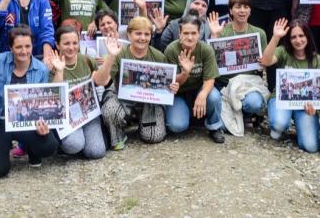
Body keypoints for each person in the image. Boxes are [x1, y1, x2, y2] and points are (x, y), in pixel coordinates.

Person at [0, 27, 59, 179]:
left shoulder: (41, 70)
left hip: (25, 121)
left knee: (49, 146)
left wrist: (43, 127)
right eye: (18, 47)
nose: (23, 51)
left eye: (27, 46)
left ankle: (32, 150)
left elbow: (41, 105)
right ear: (11, 47)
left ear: (32, 46)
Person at [94, 17, 178, 150]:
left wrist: (172, 86)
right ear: (129, 34)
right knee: (110, 110)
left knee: (153, 137)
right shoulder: (119, 53)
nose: (142, 38)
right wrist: (110, 56)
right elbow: (100, 81)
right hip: (122, 98)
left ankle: (142, 124)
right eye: (138, 33)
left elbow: (166, 86)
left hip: (149, 101)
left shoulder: (158, 56)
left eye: (146, 34)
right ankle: (118, 132)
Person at [259, 19, 320, 151]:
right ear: (289, 39)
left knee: (311, 147)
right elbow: (265, 61)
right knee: (279, 123)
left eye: (301, 36)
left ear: (307, 37)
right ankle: (280, 127)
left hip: (305, 104)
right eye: (293, 37)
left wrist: (316, 109)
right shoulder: (283, 52)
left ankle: (300, 127)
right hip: (281, 99)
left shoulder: (318, 60)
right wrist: (276, 37)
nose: (298, 40)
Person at [207, 0, 269, 127]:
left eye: (246, 7)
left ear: (250, 10)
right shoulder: (222, 31)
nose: (242, 10)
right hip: (224, 84)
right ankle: (234, 112)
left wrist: (261, 63)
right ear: (230, 10)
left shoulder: (259, 33)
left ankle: (247, 113)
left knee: (255, 104)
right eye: (238, 7)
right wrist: (214, 35)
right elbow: (210, 61)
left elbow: (264, 63)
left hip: (248, 84)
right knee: (223, 127)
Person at [164, 14, 224, 143]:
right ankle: (190, 116)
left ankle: (215, 127)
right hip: (179, 93)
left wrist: (202, 94)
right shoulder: (171, 50)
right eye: (185, 33)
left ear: (199, 33)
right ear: (179, 33)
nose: (190, 37)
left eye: (193, 33)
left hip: (198, 89)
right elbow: (172, 82)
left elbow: (210, 78)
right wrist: (185, 72)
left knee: (213, 96)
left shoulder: (206, 49)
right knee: (177, 126)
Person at [48, 26, 106, 159]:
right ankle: (70, 143)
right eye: (66, 43)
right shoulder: (51, 65)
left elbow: (101, 81)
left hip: (89, 114)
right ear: (57, 44)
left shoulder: (86, 59)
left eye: (75, 43)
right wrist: (59, 71)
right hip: (68, 117)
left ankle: (87, 141)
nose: (71, 47)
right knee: (73, 145)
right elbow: (54, 98)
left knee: (96, 152)